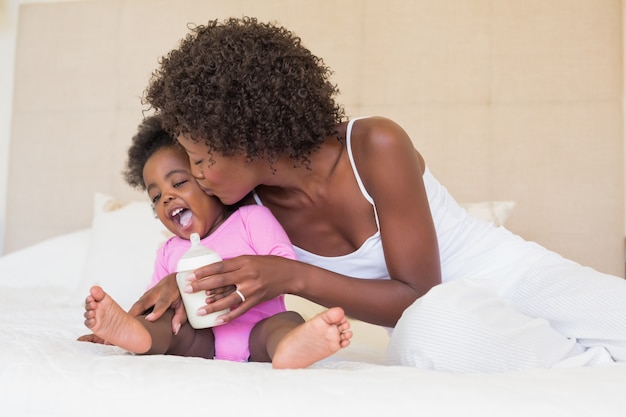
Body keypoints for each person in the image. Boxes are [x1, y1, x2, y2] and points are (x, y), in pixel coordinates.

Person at [133, 17, 626, 373]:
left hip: (512, 277)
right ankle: (595, 374)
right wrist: (184, 281)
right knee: (428, 334)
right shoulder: (247, 213)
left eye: (202, 158)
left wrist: (293, 276)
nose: (197, 175)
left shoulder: (373, 144)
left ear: (245, 136)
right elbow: (426, 308)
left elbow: (418, 287)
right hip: (442, 319)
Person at [77, 115, 352, 369]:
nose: (167, 198)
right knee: (164, 324)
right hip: (202, 342)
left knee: (286, 322)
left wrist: (227, 276)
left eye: (179, 183)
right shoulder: (169, 251)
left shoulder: (250, 220)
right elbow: (156, 302)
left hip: (259, 328)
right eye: (156, 197)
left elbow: (285, 266)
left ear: (207, 182)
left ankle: (290, 347)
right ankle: (133, 336)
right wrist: (136, 321)